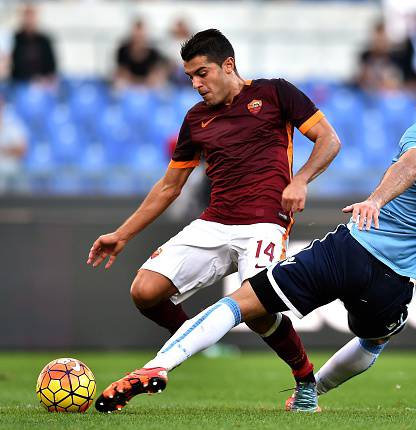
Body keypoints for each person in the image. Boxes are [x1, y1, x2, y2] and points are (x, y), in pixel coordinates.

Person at [93, 7, 416, 414]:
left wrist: (376, 200)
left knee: (239, 303)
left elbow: (410, 164)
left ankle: (158, 365)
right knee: (372, 344)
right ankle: (311, 392)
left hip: (353, 247)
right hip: (397, 281)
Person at [87, 29, 341, 412]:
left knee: (259, 312)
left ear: (228, 65)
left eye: (202, 73)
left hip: (264, 223)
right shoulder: (196, 119)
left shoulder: (275, 94)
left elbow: (329, 139)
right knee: (144, 290)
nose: (196, 84)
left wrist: (300, 179)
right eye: (189, 76)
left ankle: (305, 380)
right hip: (215, 222)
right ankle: (191, 338)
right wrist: (122, 233)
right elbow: (169, 187)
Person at [10, 4, 57, 84]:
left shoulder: (44, 40)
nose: (29, 20)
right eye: (27, 16)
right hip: (20, 82)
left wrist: (44, 80)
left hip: (41, 83)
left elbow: (51, 66)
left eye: (31, 16)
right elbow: (13, 65)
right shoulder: (15, 39)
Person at [114, 19, 166, 88]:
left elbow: (155, 73)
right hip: (129, 84)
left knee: (161, 85)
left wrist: (147, 81)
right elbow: (122, 72)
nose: (138, 37)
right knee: (119, 84)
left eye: (141, 35)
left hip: (148, 85)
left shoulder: (153, 52)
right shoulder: (123, 50)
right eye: (136, 34)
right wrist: (136, 82)